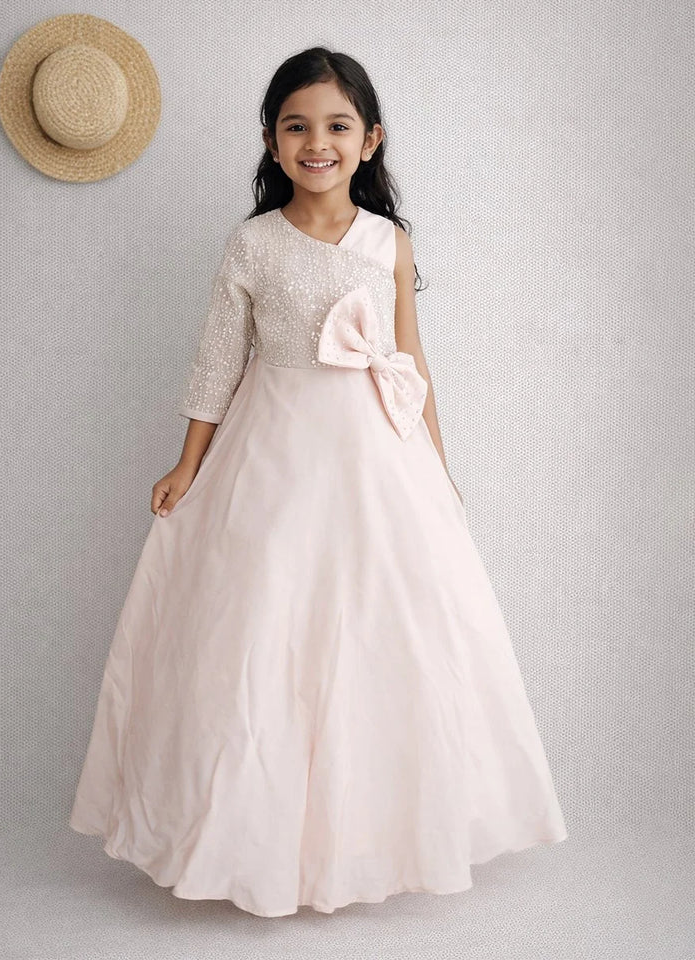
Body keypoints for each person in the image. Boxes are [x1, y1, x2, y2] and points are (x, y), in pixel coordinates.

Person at [69, 45, 568, 918]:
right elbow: (219, 358)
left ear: (370, 140)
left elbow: (412, 363)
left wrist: (439, 475)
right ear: (270, 141)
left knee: (381, 632)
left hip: (379, 456)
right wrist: (187, 462)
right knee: (265, 627)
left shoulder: (390, 243)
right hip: (277, 454)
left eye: (337, 126)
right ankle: (250, 841)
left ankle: (369, 838)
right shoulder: (253, 243)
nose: (317, 142)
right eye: (296, 126)